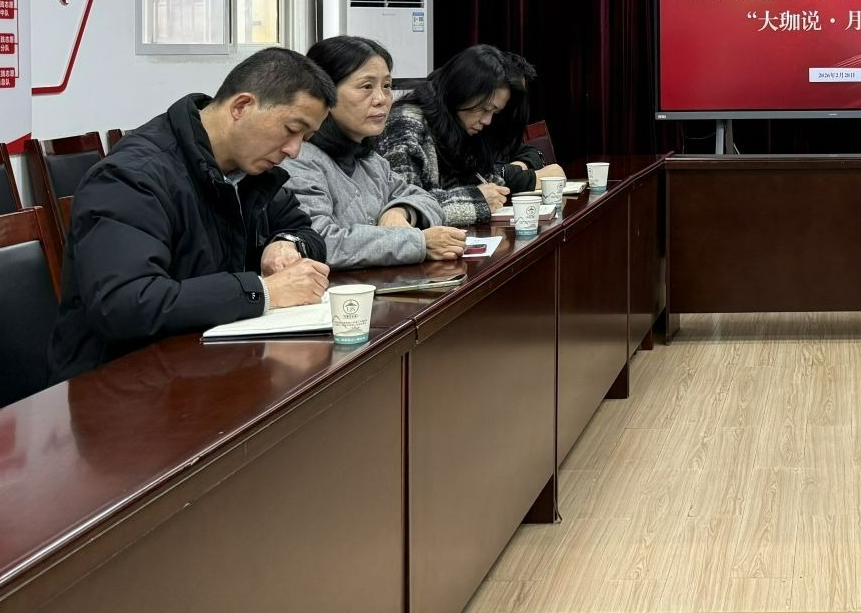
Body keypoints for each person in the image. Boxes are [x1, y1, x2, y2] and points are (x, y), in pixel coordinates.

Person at [48, 48, 336, 381]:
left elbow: (304, 231)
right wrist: (262, 291)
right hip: (120, 383)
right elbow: (124, 304)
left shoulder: (250, 171)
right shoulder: (132, 177)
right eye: (291, 129)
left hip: (210, 366)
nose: (294, 150)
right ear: (241, 106)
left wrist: (285, 243)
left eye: (305, 138)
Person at [284, 36, 466, 268]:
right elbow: (319, 242)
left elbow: (427, 199)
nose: (381, 99)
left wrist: (400, 211)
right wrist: (418, 242)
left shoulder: (370, 160)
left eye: (387, 86)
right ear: (325, 93)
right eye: (366, 86)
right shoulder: (299, 159)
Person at [378, 44, 561, 226]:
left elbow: (478, 179)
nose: (487, 120)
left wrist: (493, 189)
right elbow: (403, 208)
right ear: (461, 91)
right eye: (484, 108)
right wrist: (477, 199)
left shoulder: (458, 125)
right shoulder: (405, 123)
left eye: (495, 113)